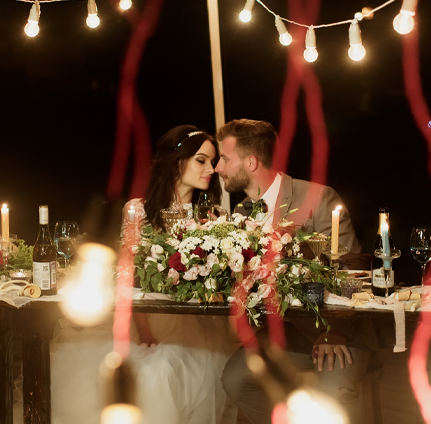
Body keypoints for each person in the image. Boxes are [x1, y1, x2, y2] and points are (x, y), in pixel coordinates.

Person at [13, 125, 237, 424]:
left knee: (171, 371)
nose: (211, 168)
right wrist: (143, 328)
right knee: (136, 372)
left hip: (195, 322)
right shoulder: (138, 211)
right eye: (201, 160)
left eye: (212, 161)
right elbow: (126, 273)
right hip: (142, 315)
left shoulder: (213, 216)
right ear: (176, 160)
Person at [215, 119, 378, 424]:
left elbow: (355, 270)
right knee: (235, 379)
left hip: (342, 332)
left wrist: (336, 331)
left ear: (250, 162)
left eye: (224, 159)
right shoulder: (239, 214)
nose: (217, 168)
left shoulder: (317, 197)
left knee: (329, 399)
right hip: (289, 334)